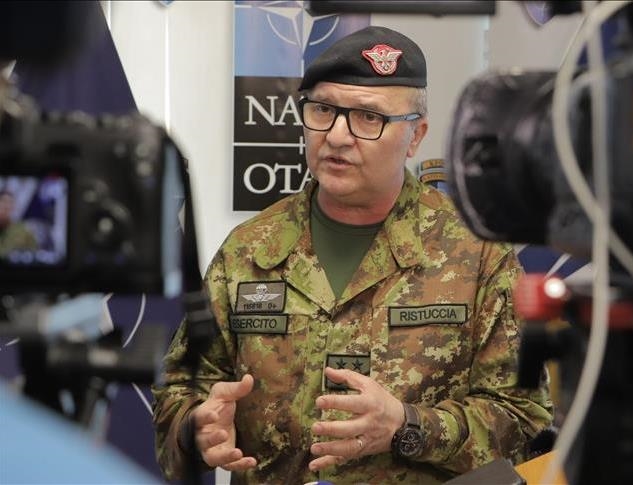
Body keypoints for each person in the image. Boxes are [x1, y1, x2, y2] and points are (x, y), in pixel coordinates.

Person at [152, 26, 553, 484]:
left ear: (416, 136)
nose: (338, 136)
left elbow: (525, 422)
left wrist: (408, 426)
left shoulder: (476, 254)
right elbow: (177, 393)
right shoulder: (250, 250)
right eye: (323, 110)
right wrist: (195, 429)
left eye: (368, 117)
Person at [0, 190, 38, 259]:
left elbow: (35, 252)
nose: (7, 206)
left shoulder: (22, 230)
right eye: (3, 201)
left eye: (10, 203)